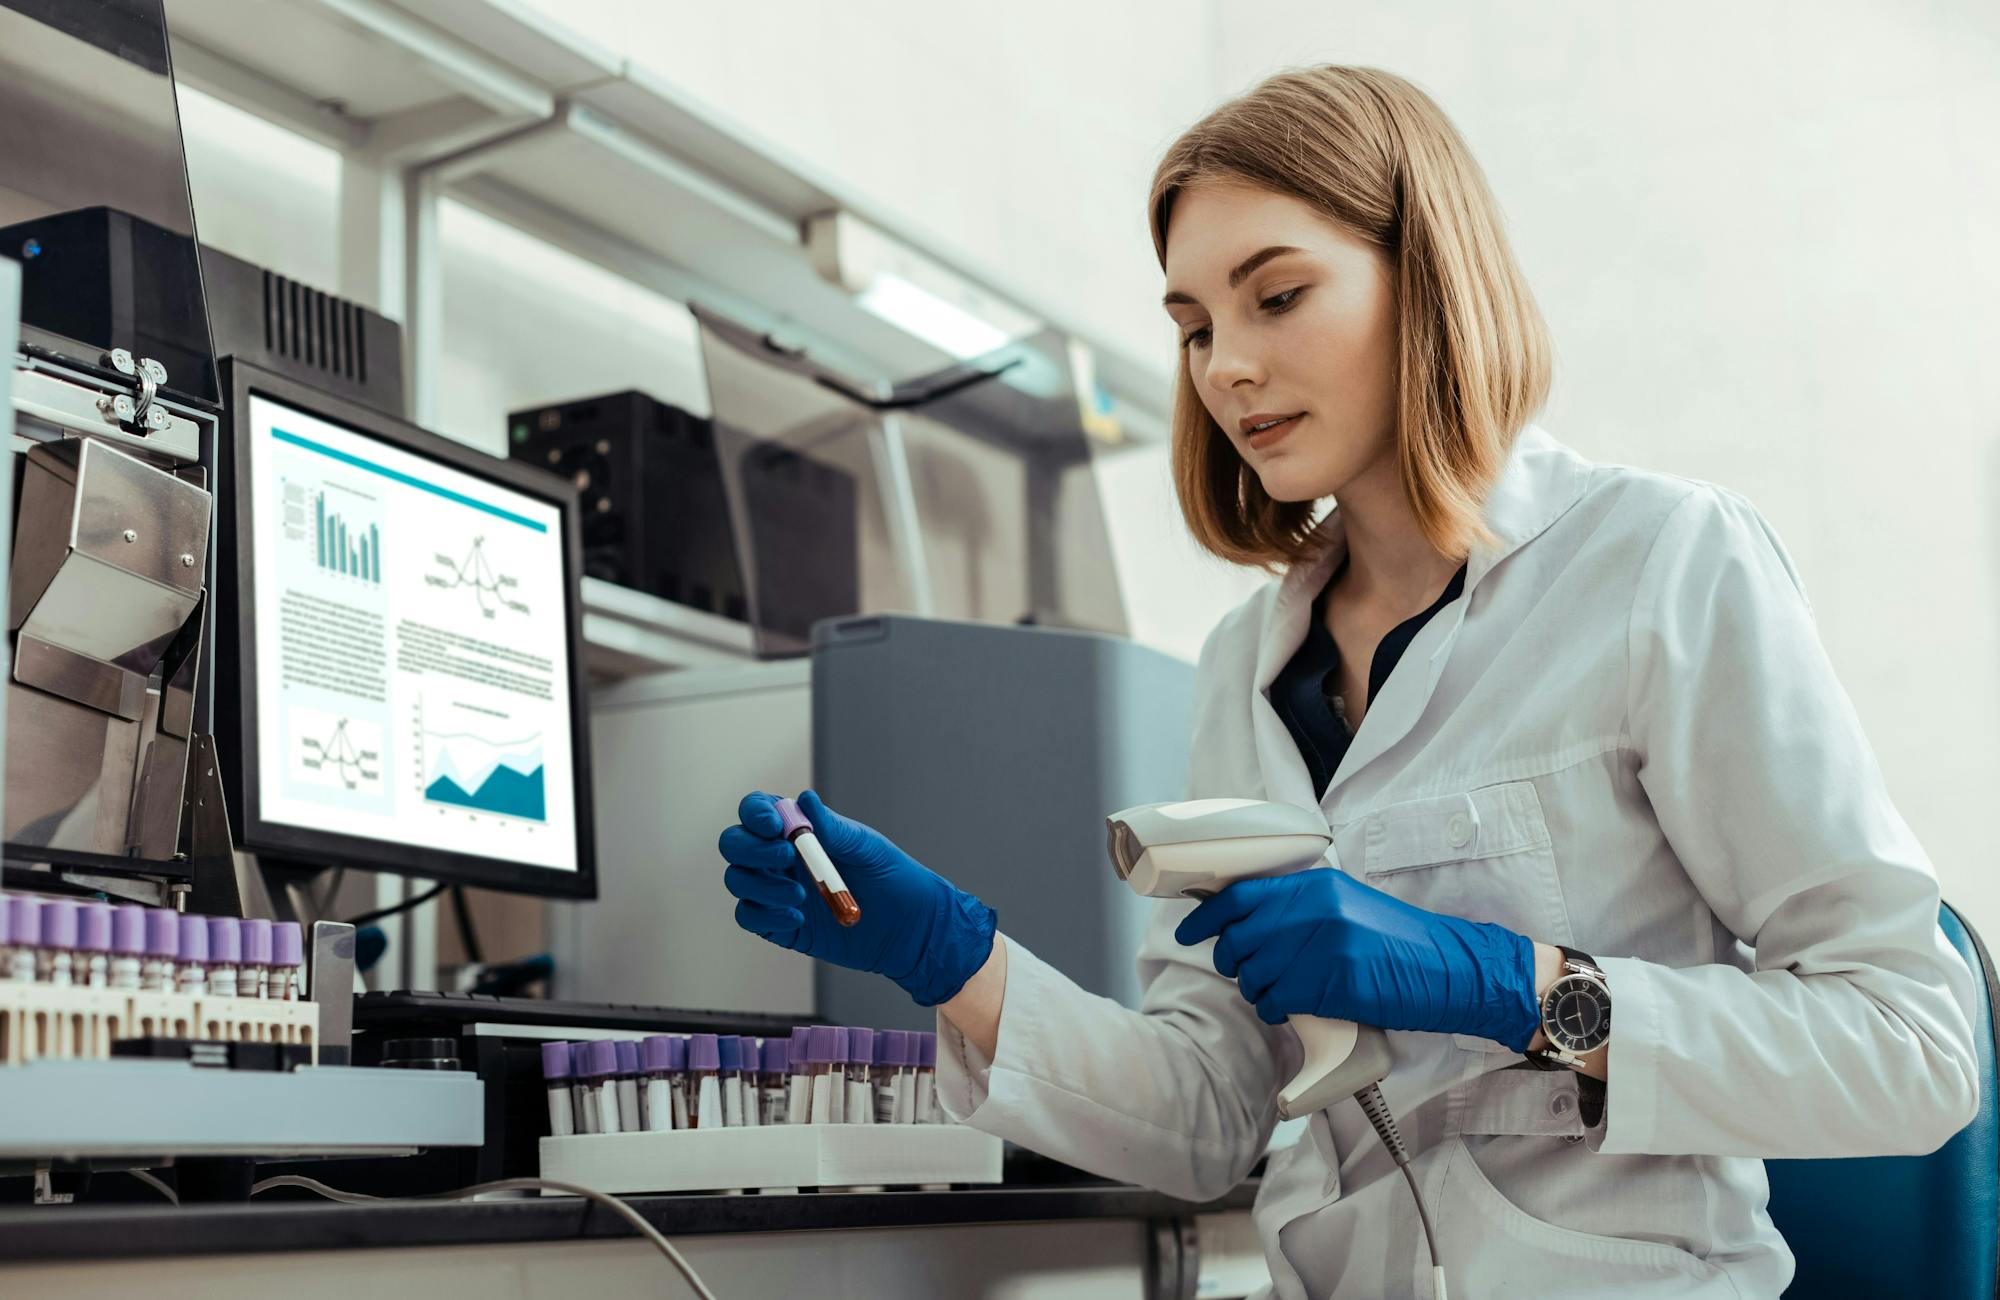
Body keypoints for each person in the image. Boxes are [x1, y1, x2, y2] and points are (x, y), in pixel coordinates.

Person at [717, 65, 1978, 1297]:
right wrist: (950, 956)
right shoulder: (1241, 668)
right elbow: (1210, 1114)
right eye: (1195, 327)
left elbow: (1911, 1048)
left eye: (1275, 296)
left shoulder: (1655, 562)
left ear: (1423, 279)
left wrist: (1512, 986)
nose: (1224, 368)